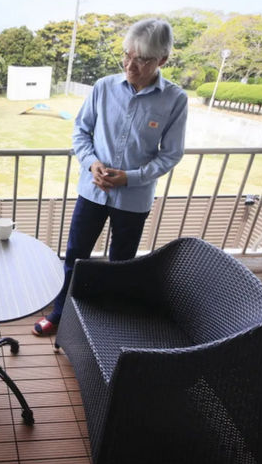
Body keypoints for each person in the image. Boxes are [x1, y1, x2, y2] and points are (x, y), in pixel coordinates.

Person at [33, 18, 188, 336]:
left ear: (162, 60)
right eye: (127, 55)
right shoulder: (103, 88)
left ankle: (108, 322)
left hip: (134, 197)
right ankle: (61, 312)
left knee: (122, 263)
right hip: (92, 191)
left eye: (141, 60)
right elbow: (81, 131)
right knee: (76, 256)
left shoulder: (175, 99)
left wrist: (129, 177)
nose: (131, 66)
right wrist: (91, 164)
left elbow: (171, 153)